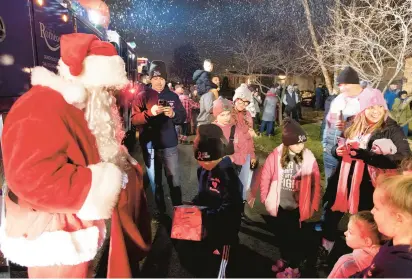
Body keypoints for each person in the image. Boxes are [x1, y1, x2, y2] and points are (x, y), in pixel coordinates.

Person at [0, 33, 151, 278]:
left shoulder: (79, 106)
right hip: (59, 239)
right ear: (89, 81)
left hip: (86, 230)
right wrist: (103, 183)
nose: (110, 98)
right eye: (105, 89)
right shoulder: (41, 105)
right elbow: (31, 177)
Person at [320, 89, 411, 260]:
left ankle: (366, 260)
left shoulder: (390, 128)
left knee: (367, 225)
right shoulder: (352, 123)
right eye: (370, 107)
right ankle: (326, 247)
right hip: (342, 182)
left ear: (385, 108)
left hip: (369, 186)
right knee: (331, 217)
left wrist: (368, 156)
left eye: (379, 106)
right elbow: (338, 144)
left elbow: (404, 157)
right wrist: (336, 151)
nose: (375, 111)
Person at [260, 118, 321, 277]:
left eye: (303, 143)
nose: (301, 146)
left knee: (295, 237)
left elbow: (315, 181)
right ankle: (285, 258)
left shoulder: (308, 157)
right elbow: (266, 174)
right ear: (288, 143)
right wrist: (265, 195)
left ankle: (294, 267)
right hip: (281, 204)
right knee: (282, 234)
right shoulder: (277, 155)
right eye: (297, 143)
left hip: (297, 206)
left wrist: (314, 202)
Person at [132, 60, 187, 214]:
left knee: (174, 181)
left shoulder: (173, 97)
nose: (159, 81)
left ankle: (179, 212)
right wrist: (150, 113)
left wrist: (174, 114)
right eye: (155, 78)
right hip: (150, 147)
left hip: (169, 145)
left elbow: (182, 116)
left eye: (162, 78)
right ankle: (161, 212)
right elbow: (134, 120)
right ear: (150, 79)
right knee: (156, 183)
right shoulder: (142, 96)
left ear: (166, 79)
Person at [192, 124, 243, 278]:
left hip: (225, 228)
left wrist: (209, 214)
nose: (201, 165)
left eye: (204, 161)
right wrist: (193, 205)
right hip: (210, 223)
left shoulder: (227, 174)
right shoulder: (203, 170)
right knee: (211, 251)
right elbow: (203, 193)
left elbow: (232, 206)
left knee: (224, 258)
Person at [351, 174, 412, 278]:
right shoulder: (394, 243)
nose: (372, 211)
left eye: (377, 208)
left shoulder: (402, 269)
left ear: (398, 218)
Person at [328, 211, 382, 278]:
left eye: (350, 232)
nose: (345, 233)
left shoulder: (346, 263)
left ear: (367, 241)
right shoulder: (389, 260)